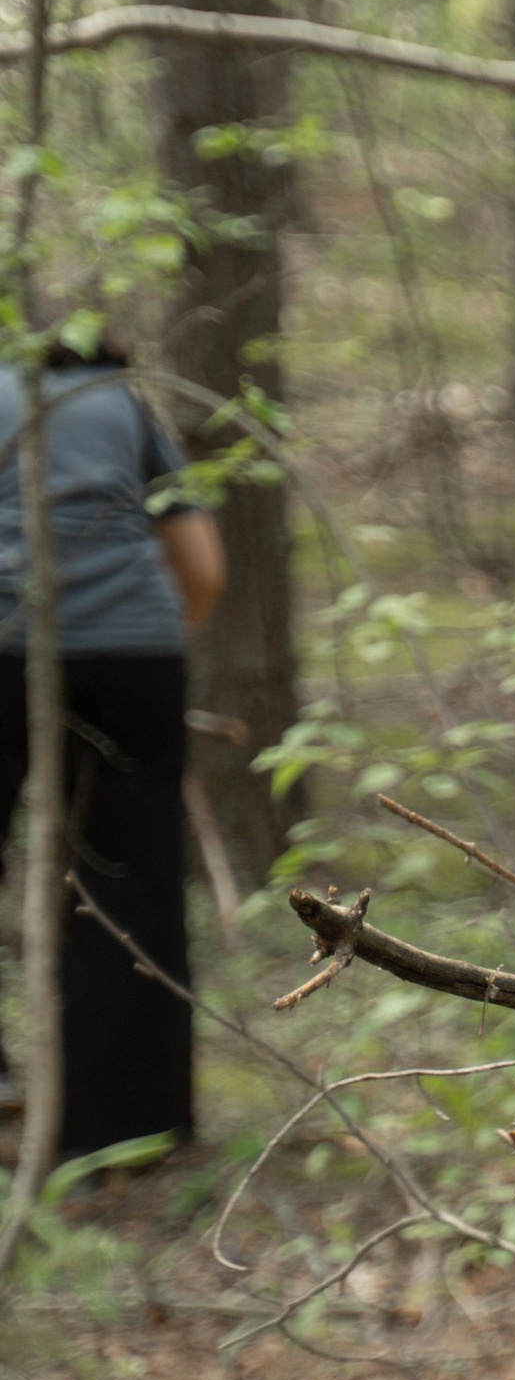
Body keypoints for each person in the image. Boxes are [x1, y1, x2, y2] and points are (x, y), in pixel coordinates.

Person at [0, 330, 225, 1166]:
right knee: (128, 888)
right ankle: (122, 1133)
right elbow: (201, 566)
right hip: (130, 655)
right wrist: (158, 645)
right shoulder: (126, 406)